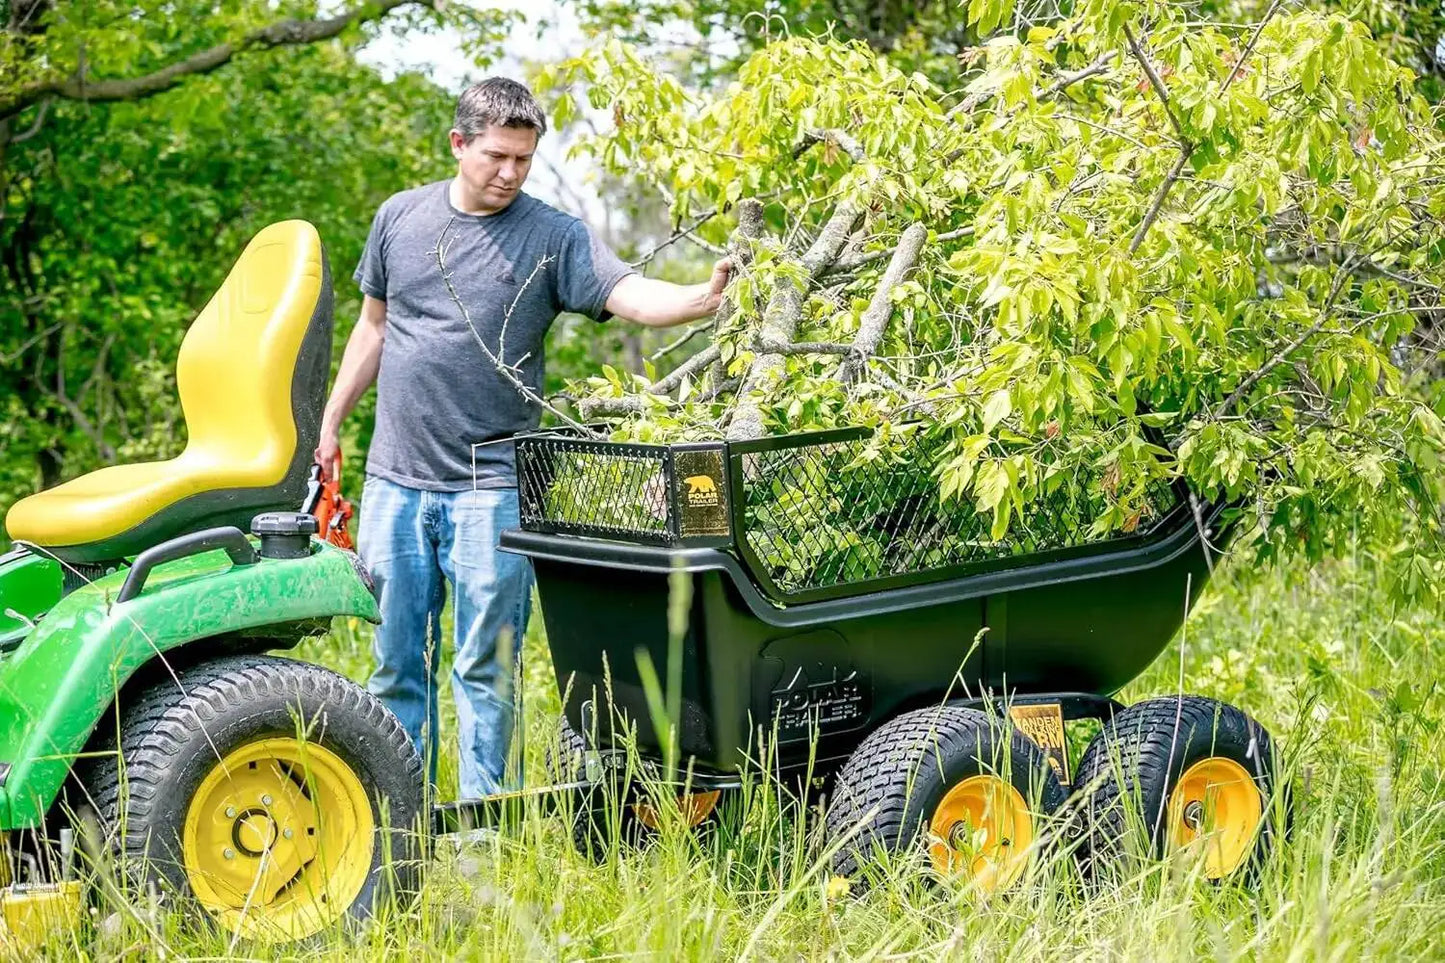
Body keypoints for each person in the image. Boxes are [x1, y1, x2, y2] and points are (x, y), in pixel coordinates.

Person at [316, 77, 729, 798]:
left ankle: (483, 828)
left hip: (492, 488)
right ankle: (395, 825)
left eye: (523, 159)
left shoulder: (552, 235)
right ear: (459, 144)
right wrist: (329, 419)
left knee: (485, 668)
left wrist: (701, 298)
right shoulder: (399, 219)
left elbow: (626, 293)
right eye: (497, 156)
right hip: (394, 483)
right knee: (393, 665)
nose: (509, 173)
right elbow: (373, 328)